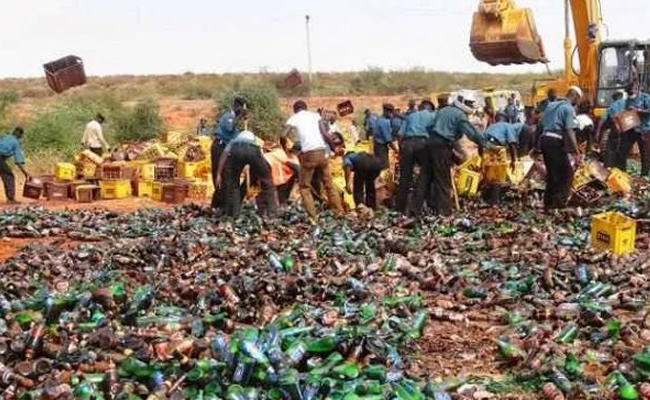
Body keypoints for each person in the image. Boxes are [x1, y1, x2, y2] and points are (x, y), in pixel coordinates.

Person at [412, 93, 486, 216]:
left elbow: (430, 126)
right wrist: (484, 143)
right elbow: (471, 132)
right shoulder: (460, 115)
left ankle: (414, 209)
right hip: (442, 146)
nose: (470, 106)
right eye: (469, 104)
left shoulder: (443, 110)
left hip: (430, 143)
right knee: (442, 180)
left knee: (424, 177)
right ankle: (444, 212)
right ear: (462, 102)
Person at [281, 100, 343, 222]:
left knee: (304, 187)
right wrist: (334, 148)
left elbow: (283, 135)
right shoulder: (315, 116)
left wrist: (284, 149)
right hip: (322, 152)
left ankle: (313, 217)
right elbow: (325, 134)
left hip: (309, 154)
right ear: (306, 107)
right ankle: (339, 212)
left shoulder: (295, 118)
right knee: (328, 184)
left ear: (295, 109)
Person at [538, 86, 583, 210]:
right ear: (575, 96)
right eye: (579, 100)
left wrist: (537, 146)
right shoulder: (568, 108)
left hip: (545, 140)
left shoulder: (551, 105)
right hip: (554, 141)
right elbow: (569, 130)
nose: (577, 103)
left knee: (552, 174)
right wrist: (576, 152)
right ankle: (559, 205)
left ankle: (548, 204)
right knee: (566, 174)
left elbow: (540, 125)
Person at [215, 129, 277, 217]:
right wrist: (264, 172)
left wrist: (218, 173)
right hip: (252, 151)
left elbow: (224, 155)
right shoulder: (254, 141)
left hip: (237, 151)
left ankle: (233, 214)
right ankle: (272, 213)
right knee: (267, 182)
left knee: (232, 184)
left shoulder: (233, 141)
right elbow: (260, 157)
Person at [395, 99, 436, 213]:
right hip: (423, 144)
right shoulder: (432, 116)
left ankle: (400, 208)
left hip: (407, 144)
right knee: (426, 174)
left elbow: (399, 134)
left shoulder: (410, 116)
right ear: (430, 108)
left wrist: (400, 150)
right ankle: (418, 205)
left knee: (405, 177)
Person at [211, 97, 247, 209]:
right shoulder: (229, 116)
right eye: (241, 108)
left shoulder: (233, 117)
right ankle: (218, 204)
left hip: (226, 148)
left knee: (227, 176)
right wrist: (240, 116)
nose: (241, 110)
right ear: (236, 106)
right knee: (220, 174)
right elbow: (230, 128)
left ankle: (222, 203)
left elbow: (234, 135)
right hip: (219, 147)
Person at [617, 82, 650, 177]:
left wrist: (638, 110)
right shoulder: (628, 100)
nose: (630, 95)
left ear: (636, 89)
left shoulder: (645, 97)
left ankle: (644, 175)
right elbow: (628, 113)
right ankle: (622, 172)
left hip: (644, 130)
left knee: (644, 153)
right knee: (623, 150)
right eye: (628, 94)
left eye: (631, 93)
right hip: (632, 129)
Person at [596, 90, 626, 167]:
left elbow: (603, 119)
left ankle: (609, 166)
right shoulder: (627, 104)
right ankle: (621, 168)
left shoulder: (612, 106)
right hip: (627, 131)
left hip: (615, 130)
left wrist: (598, 132)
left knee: (610, 149)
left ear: (614, 97)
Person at [0, 127, 29, 204]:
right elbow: (18, 161)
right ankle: (11, 199)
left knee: (5, 174)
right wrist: (25, 173)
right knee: (9, 176)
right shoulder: (15, 142)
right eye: (21, 136)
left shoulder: (6, 136)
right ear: (19, 134)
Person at [374, 104, 399, 169]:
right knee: (384, 167)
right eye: (390, 112)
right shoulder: (383, 122)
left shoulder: (381, 120)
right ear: (385, 111)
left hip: (379, 146)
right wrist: (396, 150)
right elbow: (388, 139)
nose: (392, 114)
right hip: (381, 147)